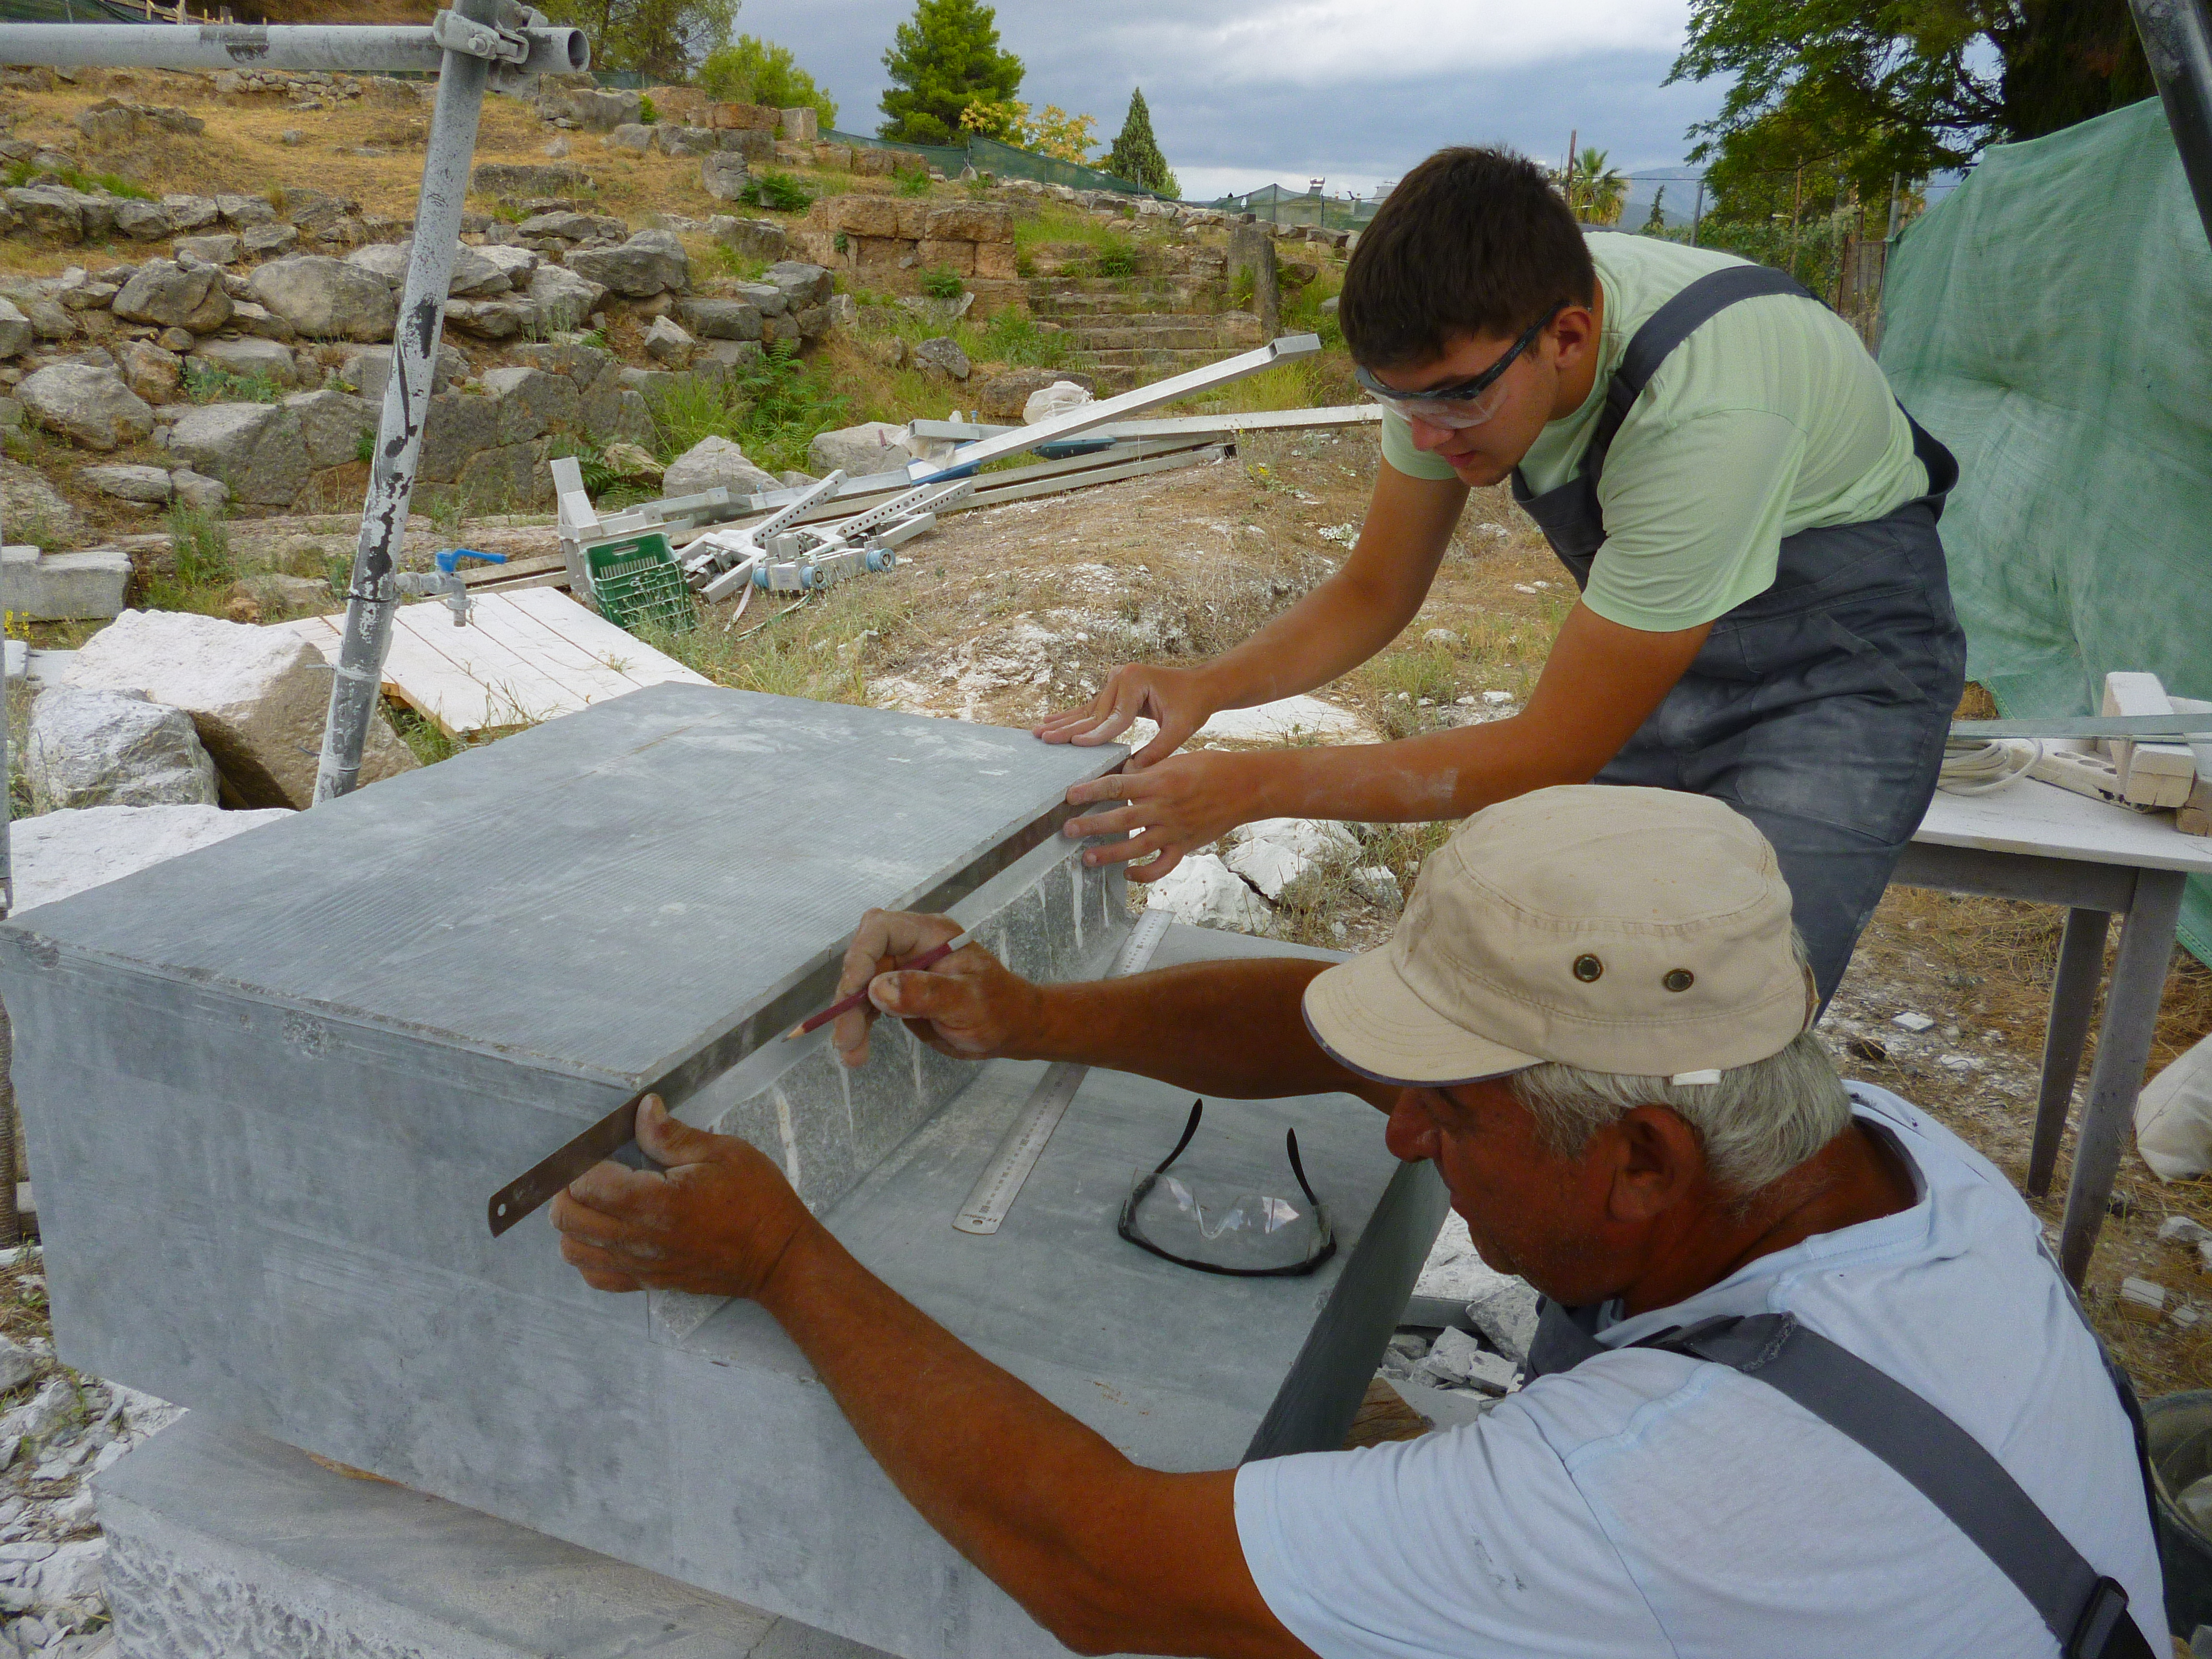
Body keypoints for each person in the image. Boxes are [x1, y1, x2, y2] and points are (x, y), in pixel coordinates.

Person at [552, 786, 2161, 1659]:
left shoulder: (1640, 1499)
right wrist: (1035, 1011)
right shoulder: (1875, 1152)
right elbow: (1335, 1037)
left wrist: (775, 1253)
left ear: (1644, 1162)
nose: (1392, 1129)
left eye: (1445, 1113)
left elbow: (1101, 1569)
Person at [1034, 147, 1966, 1002]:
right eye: (1395, 400)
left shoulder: (1708, 412)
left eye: (1457, 399)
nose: (1429, 436)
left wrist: (1253, 785)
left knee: (1731, 989)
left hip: (1847, 659)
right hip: (1670, 640)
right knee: (1582, 963)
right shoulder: (1457, 351)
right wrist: (1210, 684)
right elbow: (1375, 592)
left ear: (1567, 337)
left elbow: (1549, 751)